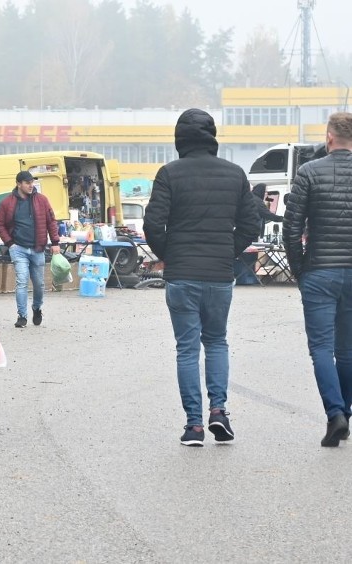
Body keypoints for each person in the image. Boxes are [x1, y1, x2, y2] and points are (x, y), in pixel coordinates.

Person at [144, 108, 260, 447]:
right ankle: (219, 411)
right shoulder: (235, 174)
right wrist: (228, 251)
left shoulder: (169, 173)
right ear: (212, 136)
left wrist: (170, 255)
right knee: (217, 341)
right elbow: (252, 224)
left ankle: (194, 425)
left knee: (186, 349)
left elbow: (153, 224)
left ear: (180, 138)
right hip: (219, 274)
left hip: (182, 275)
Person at [282, 112, 352, 447]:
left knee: (322, 347)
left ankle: (335, 413)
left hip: (320, 270)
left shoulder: (309, 172)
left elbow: (291, 229)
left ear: (328, 138)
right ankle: (346, 415)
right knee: (348, 349)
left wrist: (300, 269)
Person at [0, 170, 60, 328]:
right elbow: (0, 224)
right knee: (22, 281)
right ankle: (22, 316)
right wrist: (10, 243)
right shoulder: (7, 203)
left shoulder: (42, 200)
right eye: (27, 183)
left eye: (32, 182)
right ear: (19, 184)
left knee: (39, 284)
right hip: (19, 249)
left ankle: (37, 308)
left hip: (38, 248)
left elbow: (51, 221)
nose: (31, 185)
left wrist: (56, 242)